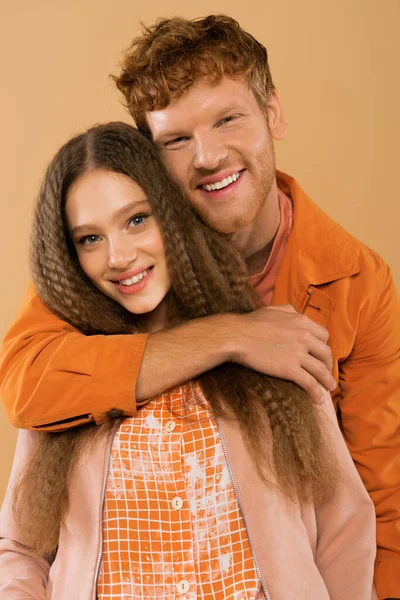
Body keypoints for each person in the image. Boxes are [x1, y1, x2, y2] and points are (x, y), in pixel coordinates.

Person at [0, 13, 399, 599]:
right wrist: (232, 335)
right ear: (151, 163)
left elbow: (371, 507)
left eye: (228, 118)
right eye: (176, 141)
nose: (208, 156)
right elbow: (26, 385)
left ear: (273, 114)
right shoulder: (112, 271)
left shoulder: (356, 282)